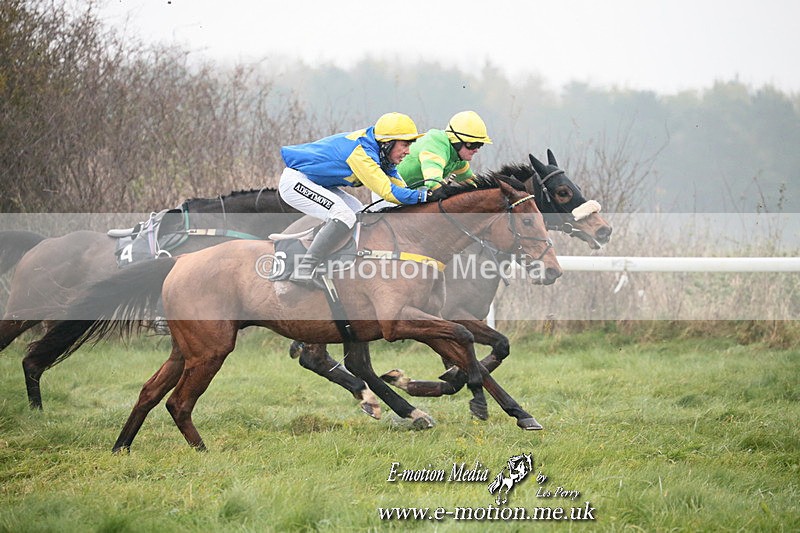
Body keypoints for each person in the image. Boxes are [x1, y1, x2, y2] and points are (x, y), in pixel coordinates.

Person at [278, 112, 428, 286]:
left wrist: (428, 196)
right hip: (296, 181)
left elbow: (402, 190)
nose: (408, 151)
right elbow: (390, 193)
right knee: (344, 215)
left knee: (359, 213)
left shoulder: (382, 155)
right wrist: (424, 196)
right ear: (388, 143)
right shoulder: (361, 153)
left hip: (318, 183)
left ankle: (331, 260)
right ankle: (304, 269)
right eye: (405, 145)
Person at [369, 110, 493, 209]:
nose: (476, 150)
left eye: (480, 145)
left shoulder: (458, 159)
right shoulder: (436, 144)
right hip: (389, 191)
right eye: (473, 144)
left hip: (411, 195)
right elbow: (433, 183)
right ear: (457, 141)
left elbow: (473, 184)